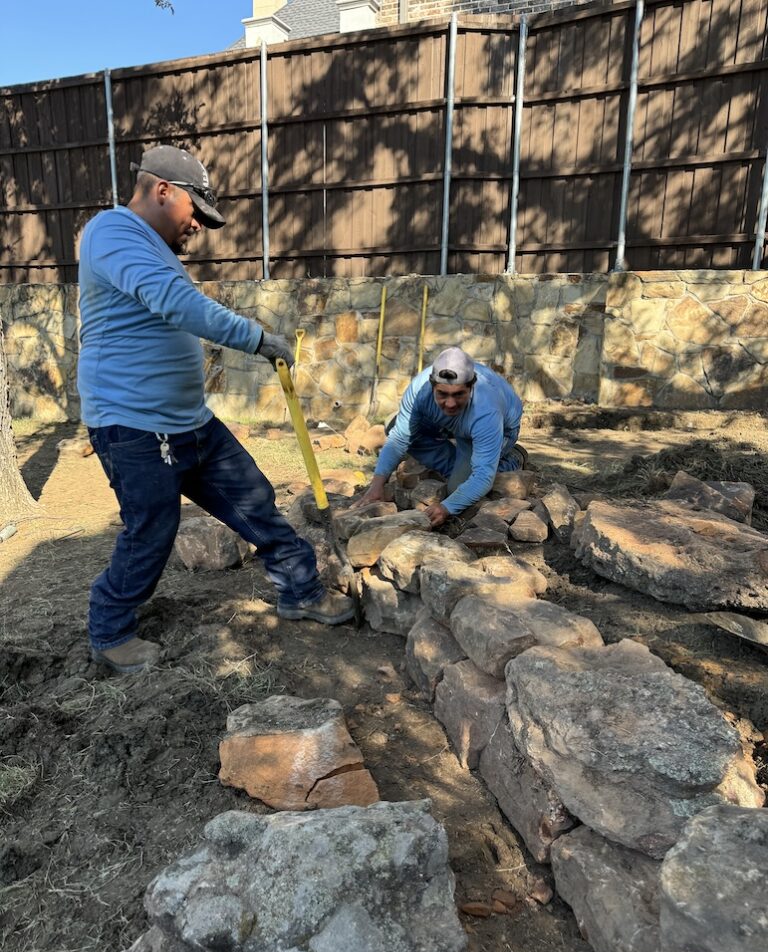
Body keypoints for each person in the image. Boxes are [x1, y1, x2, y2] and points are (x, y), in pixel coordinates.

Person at [78, 145, 353, 674]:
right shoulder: (111, 233)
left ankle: (300, 590)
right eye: (195, 212)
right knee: (151, 531)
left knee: (255, 499)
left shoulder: (153, 248)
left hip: (189, 421)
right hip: (134, 427)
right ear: (163, 190)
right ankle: (110, 633)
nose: (199, 226)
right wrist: (256, 338)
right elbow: (177, 305)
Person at [353, 347, 525, 528]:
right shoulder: (419, 388)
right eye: (442, 394)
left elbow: (483, 477)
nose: (450, 403)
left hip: (500, 429)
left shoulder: (486, 411)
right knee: (393, 425)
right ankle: (457, 463)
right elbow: (399, 438)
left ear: (471, 386)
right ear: (432, 385)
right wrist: (376, 487)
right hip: (456, 425)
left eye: (459, 394)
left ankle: (512, 459)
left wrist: (447, 507)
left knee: (457, 489)